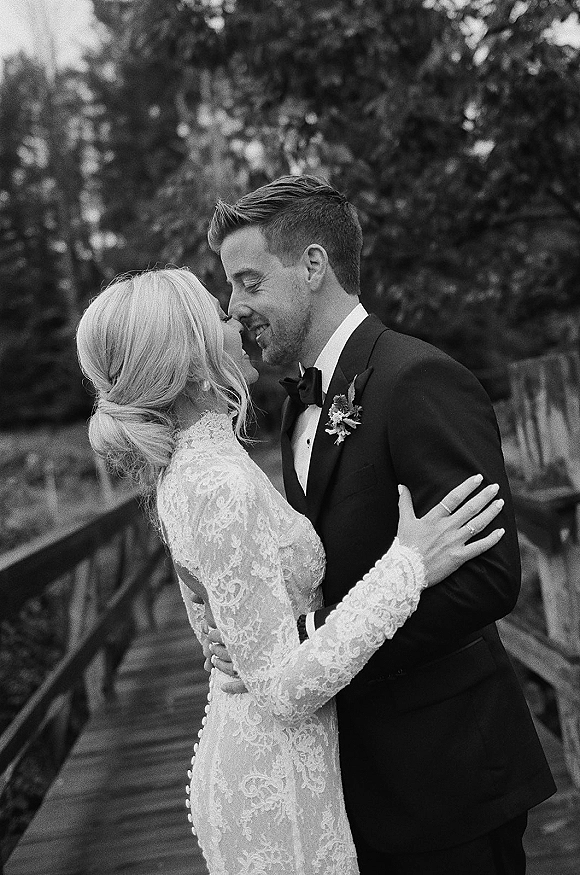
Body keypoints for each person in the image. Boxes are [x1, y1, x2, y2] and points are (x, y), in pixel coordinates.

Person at [76, 267, 507, 875]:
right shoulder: (216, 482)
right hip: (277, 786)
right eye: (218, 314)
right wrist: (408, 564)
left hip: (292, 761)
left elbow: (244, 633)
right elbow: (281, 688)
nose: (235, 317)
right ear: (189, 356)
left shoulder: (200, 463)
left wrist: (251, 642)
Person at [207, 176, 556, 875]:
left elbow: (490, 578)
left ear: (313, 265)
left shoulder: (419, 379)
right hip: (358, 784)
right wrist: (255, 630)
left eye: (249, 281)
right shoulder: (296, 407)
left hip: (450, 777)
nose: (234, 305)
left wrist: (312, 638)